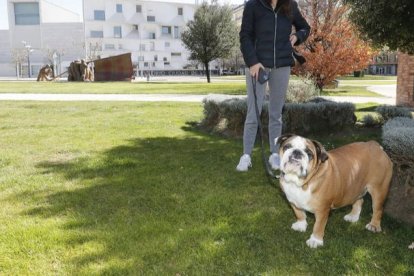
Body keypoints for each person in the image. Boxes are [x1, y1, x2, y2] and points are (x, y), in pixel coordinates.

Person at [236, 0, 310, 171]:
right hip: (258, 66)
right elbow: (245, 35)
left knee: (276, 114)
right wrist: (253, 62)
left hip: (282, 65)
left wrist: (297, 36)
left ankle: (275, 154)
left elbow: (305, 28)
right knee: (253, 112)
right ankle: (246, 155)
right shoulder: (253, 5)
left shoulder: (290, 5)